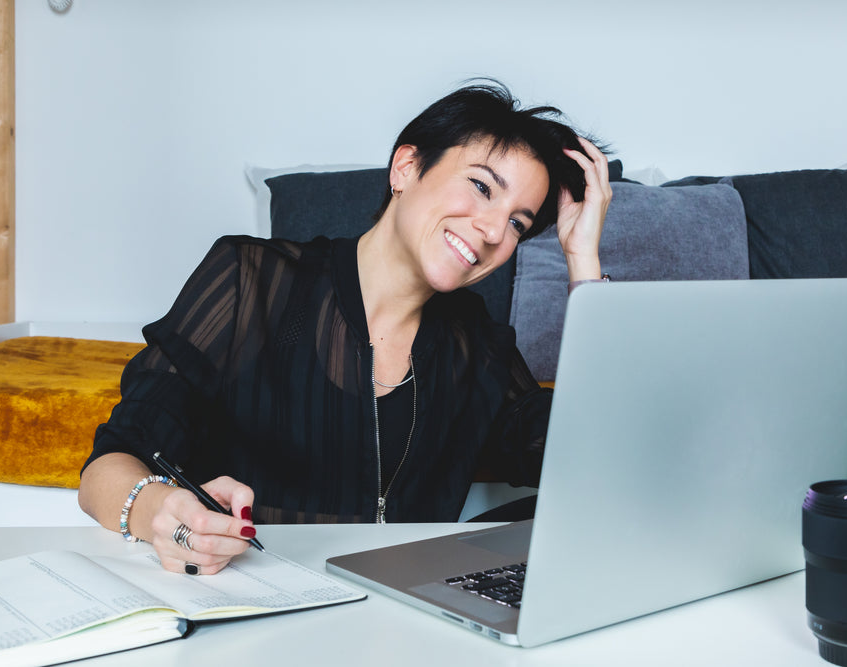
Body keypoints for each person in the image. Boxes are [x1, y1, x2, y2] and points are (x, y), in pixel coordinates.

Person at [78, 81, 612, 575]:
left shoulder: (477, 345)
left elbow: (590, 454)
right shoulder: (251, 281)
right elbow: (108, 466)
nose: (495, 229)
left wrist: (583, 261)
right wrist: (162, 513)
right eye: (480, 186)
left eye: (519, 222)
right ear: (406, 166)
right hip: (248, 608)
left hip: (403, 623)